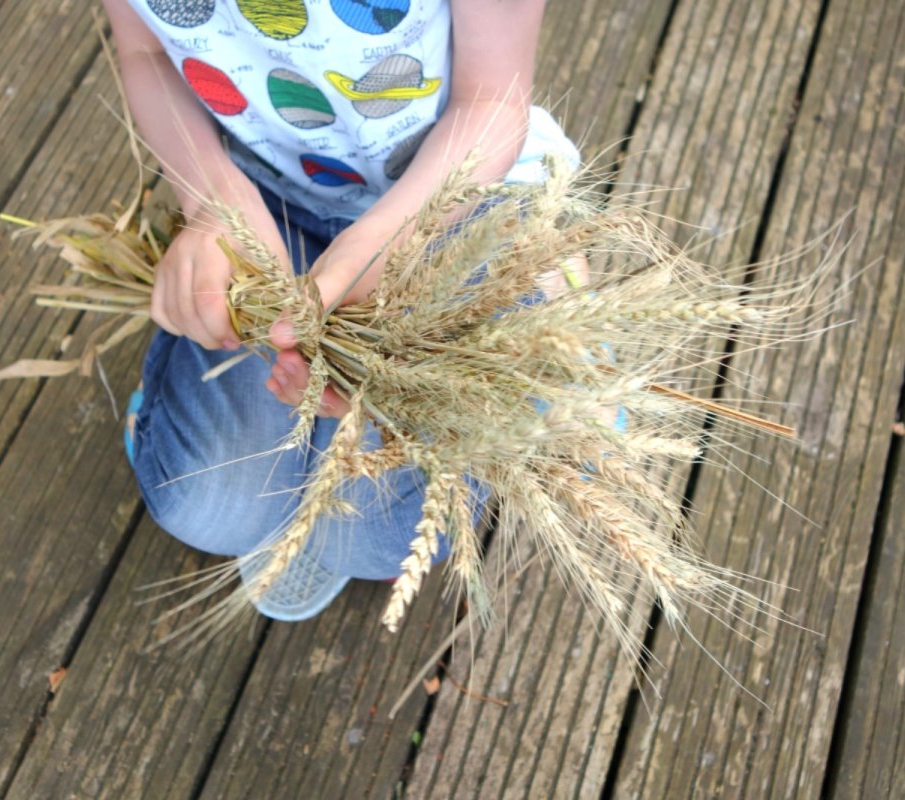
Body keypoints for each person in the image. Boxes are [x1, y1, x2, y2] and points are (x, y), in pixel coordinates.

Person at [103, 0, 580, 620]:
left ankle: (548, 288)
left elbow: (491, 98)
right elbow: (143, 52)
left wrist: (380, 247)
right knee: (205, 505)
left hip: (452, 193)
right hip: (268, 189)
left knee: (381, 540)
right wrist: (210, 197)